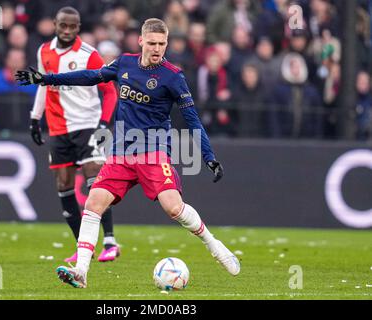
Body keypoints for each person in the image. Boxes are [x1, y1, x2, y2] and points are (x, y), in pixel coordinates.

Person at [16, 18, 240, 289]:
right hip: (121, 151)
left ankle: (215, 246)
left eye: (162, 44)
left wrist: (208, 156)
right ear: (141, 41)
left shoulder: (173, 76)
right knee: (93, 203)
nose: (158, 49)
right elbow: (90, 76)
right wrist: (46, 78)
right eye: (153, 43)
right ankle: (81, 271)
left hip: (154, 151)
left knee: (173, 208)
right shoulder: (124, 63)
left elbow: (193, 120)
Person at [29, 7, 120, 263]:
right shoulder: (43, 51)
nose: (67, 31)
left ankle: (110, 241)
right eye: (63, 26)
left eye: (72, 26)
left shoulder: (89, 55)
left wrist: (104, 123)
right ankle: (84, 248)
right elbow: (42, 86)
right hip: (58, 129)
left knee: (96, 180)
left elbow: (110, 91)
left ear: (78, 27)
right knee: (63, 186)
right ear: (55, 25)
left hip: (88, 124)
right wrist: (35, 118)